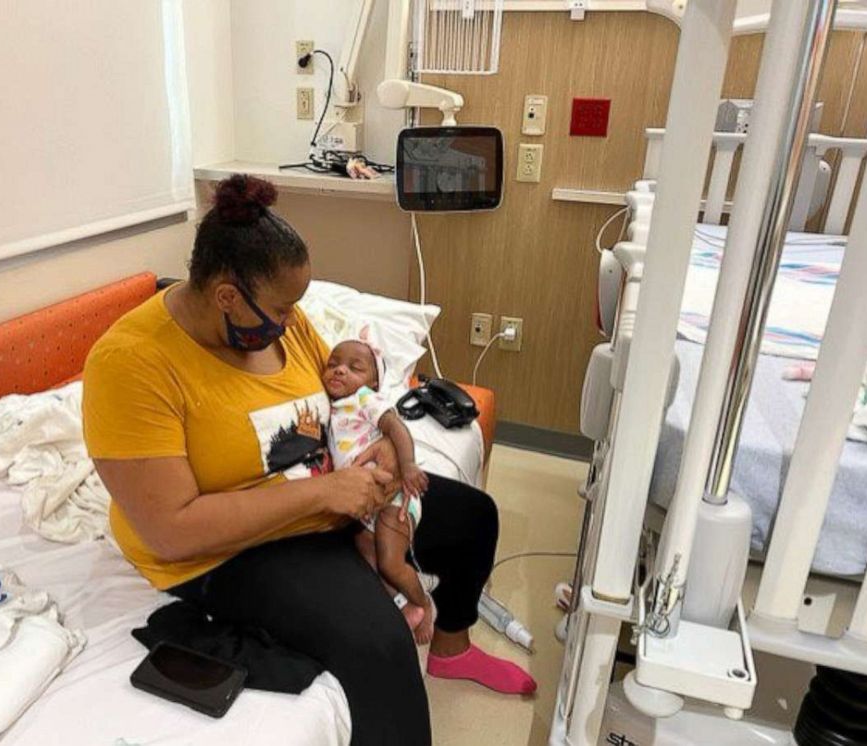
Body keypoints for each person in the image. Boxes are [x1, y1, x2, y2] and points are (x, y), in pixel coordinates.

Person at [82, 174, 536, 746]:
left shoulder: (283, 328)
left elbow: (348, 394)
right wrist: (326, 494)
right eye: (280, 308)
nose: (292, 320)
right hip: (228, 549)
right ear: (226, 295)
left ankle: (452, 650)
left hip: (330, 495)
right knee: (378, 643)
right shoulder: (132, 363)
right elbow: (170, 530)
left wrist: (383, 450)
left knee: (473, 517)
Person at [323, 339, 434, 643]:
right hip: (365, 505)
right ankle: (402, 603)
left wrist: (408, 465)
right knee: (368, 559)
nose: (340, 371)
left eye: (354, 368)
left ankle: (423, 601)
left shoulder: (364, 399)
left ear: (373, 382)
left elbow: (396, 427)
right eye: (333, 364)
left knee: (389, 562)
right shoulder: (329, 407)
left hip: (395, 497)